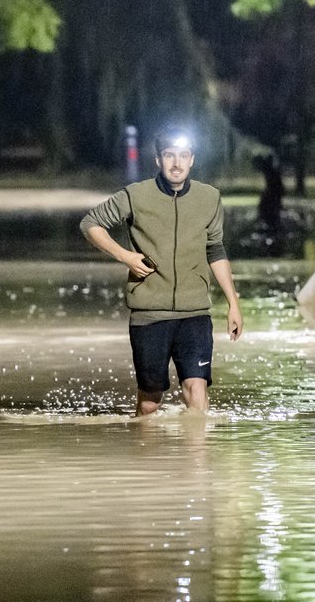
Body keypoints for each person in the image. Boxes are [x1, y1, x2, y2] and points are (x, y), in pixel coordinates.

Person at [80, 127, 243, 416]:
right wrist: (125, 256)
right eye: (169, 155)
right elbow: (90, 223)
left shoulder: (209, 198)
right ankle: (150, 460)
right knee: (150, 401)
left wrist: (233, 303)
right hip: (149, 315)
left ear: (192, 160)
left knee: (197, 391)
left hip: (195, 314)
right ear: (158, 160)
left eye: (183, 156)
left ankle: (197, 460)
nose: (176, 163)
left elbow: (215, 249)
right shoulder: (135, 195)